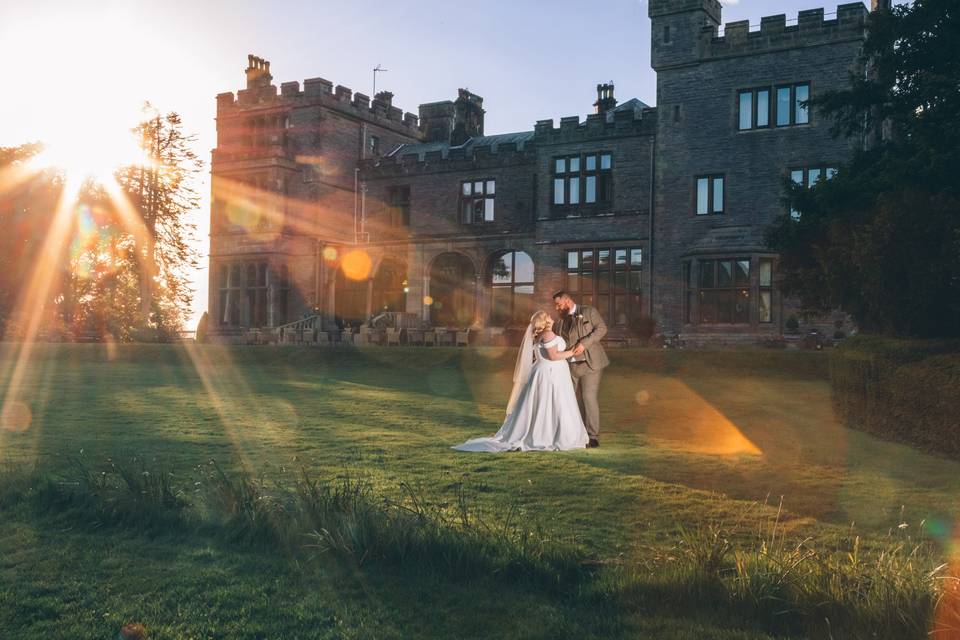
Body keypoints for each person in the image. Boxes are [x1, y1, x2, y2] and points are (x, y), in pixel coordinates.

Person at [452, 310, 589, 452]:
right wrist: (572, 352)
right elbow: (553, 356)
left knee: (550, 403)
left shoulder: (544, 334)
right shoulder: (548, 334)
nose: (551, 316)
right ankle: (550, 434)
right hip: (550, 373)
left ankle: (552, 432)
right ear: (545, 321)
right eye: (548, 316)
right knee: (551, 402)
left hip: (551, 372)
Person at [553, 290, 609, 448]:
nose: (557, 308)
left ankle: (592, 437)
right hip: (570, 365)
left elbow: (602, 329)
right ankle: (574, 433)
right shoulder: (560, 321)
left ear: (567, 301)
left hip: (590, 363)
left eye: (558, 304)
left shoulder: (588, 311)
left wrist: (584, 343)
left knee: (588, 398)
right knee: (570, 399)